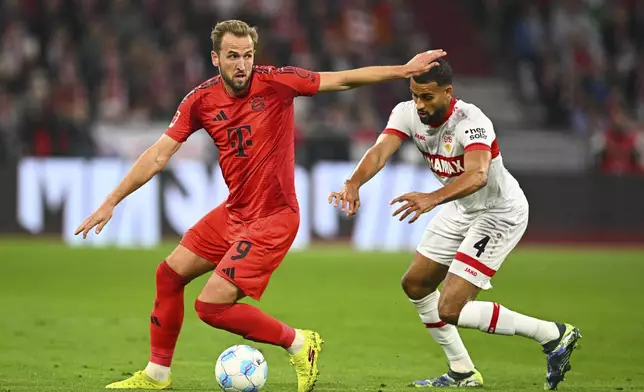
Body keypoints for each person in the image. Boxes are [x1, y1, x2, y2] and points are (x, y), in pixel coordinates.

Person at [74, 19, 446, 392]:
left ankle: (300, 343)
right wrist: (111, 202)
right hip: (234, 212)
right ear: (215, 59)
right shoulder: (199, 101)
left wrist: (403, 70)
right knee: (168, 275)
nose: (242, 64)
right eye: (232, 56)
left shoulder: (277, 83)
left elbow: (344, 79)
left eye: (247, 55)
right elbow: (157, 156)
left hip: (274, 218)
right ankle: (157, 376)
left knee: (210, 307)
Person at [328, 58, 581, 390]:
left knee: (450, 307)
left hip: (498, 212)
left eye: (427, 97)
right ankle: (462, 371)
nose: (419, 104)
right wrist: (353, 182)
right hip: (460, 207)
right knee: (416, 285)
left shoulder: (471, 122)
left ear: (448, 93)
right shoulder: (406, 112)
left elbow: (478, 174)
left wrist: (432, 198)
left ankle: (553, 335)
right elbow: (379, 151)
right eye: (415, 95)